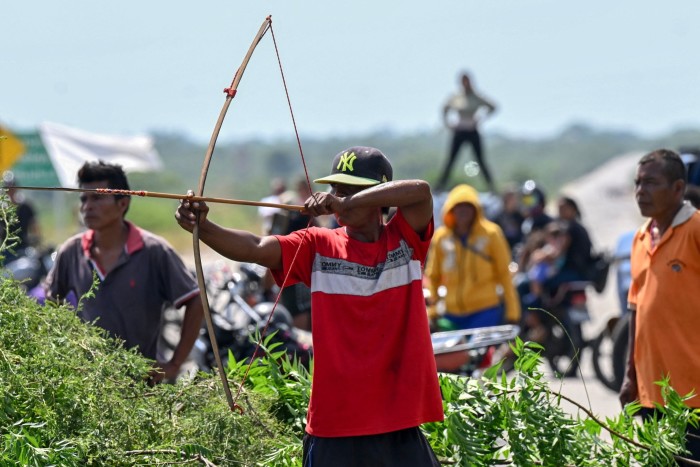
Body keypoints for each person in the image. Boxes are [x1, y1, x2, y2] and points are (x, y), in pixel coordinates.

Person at [176, 146, 443, 466]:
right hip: (335, 426)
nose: (335, 197)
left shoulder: (406, 240)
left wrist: (348, 202)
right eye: (333, 189)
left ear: (378, 197)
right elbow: (255, 248)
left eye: (348, 189)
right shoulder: (318, 245)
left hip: (398, 421)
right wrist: (203, 227)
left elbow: (421, 191)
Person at [44, 161, 203, 383]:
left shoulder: (154, 251)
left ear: (122, 204)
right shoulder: (71, 251)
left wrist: (174, 364)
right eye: (84, 198)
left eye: (97, 198)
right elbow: (51, 306)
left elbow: (196, 301)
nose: (87, 206)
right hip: (85, 383)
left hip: (140, 385)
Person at [619, 149, 700, 463]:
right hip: (652, 393)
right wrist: (629, 376)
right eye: (638, 183)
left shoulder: (695, 230)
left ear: (678, 188)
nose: (641, 192)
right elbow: (636, 311)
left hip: (694, 395)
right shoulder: (639, 239)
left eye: (651, 183)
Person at [425, 184, 520, 330]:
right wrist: (432, 311)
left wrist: (513, 313)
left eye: (468, 206)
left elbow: (504, 275)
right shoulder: (441, 237)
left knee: (478, 353)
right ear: (451, 210)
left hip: (485, 312)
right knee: (452, 352)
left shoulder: (491, 234)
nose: (463, 211)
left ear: (476, 209)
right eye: (458, 206)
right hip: (451, 315)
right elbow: (433, 277)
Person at [437, 71, 497, 192]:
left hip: (472, 130)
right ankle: (439, 187)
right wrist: (448, 124)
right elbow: (444, 108)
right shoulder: (456, 96)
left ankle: (492, 188)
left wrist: (481, 118)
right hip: (459, 130)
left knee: (480, 160)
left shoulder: (477, 96)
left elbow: (493, 106)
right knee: (451, 160)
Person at [1, 171, 40, 260]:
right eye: (7, 188)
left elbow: (35, 227)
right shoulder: (2, 210)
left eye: (12, 187)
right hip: (7, 250)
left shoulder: (25, 207)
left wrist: (36, 242)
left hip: (24, 249)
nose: (10, 190)